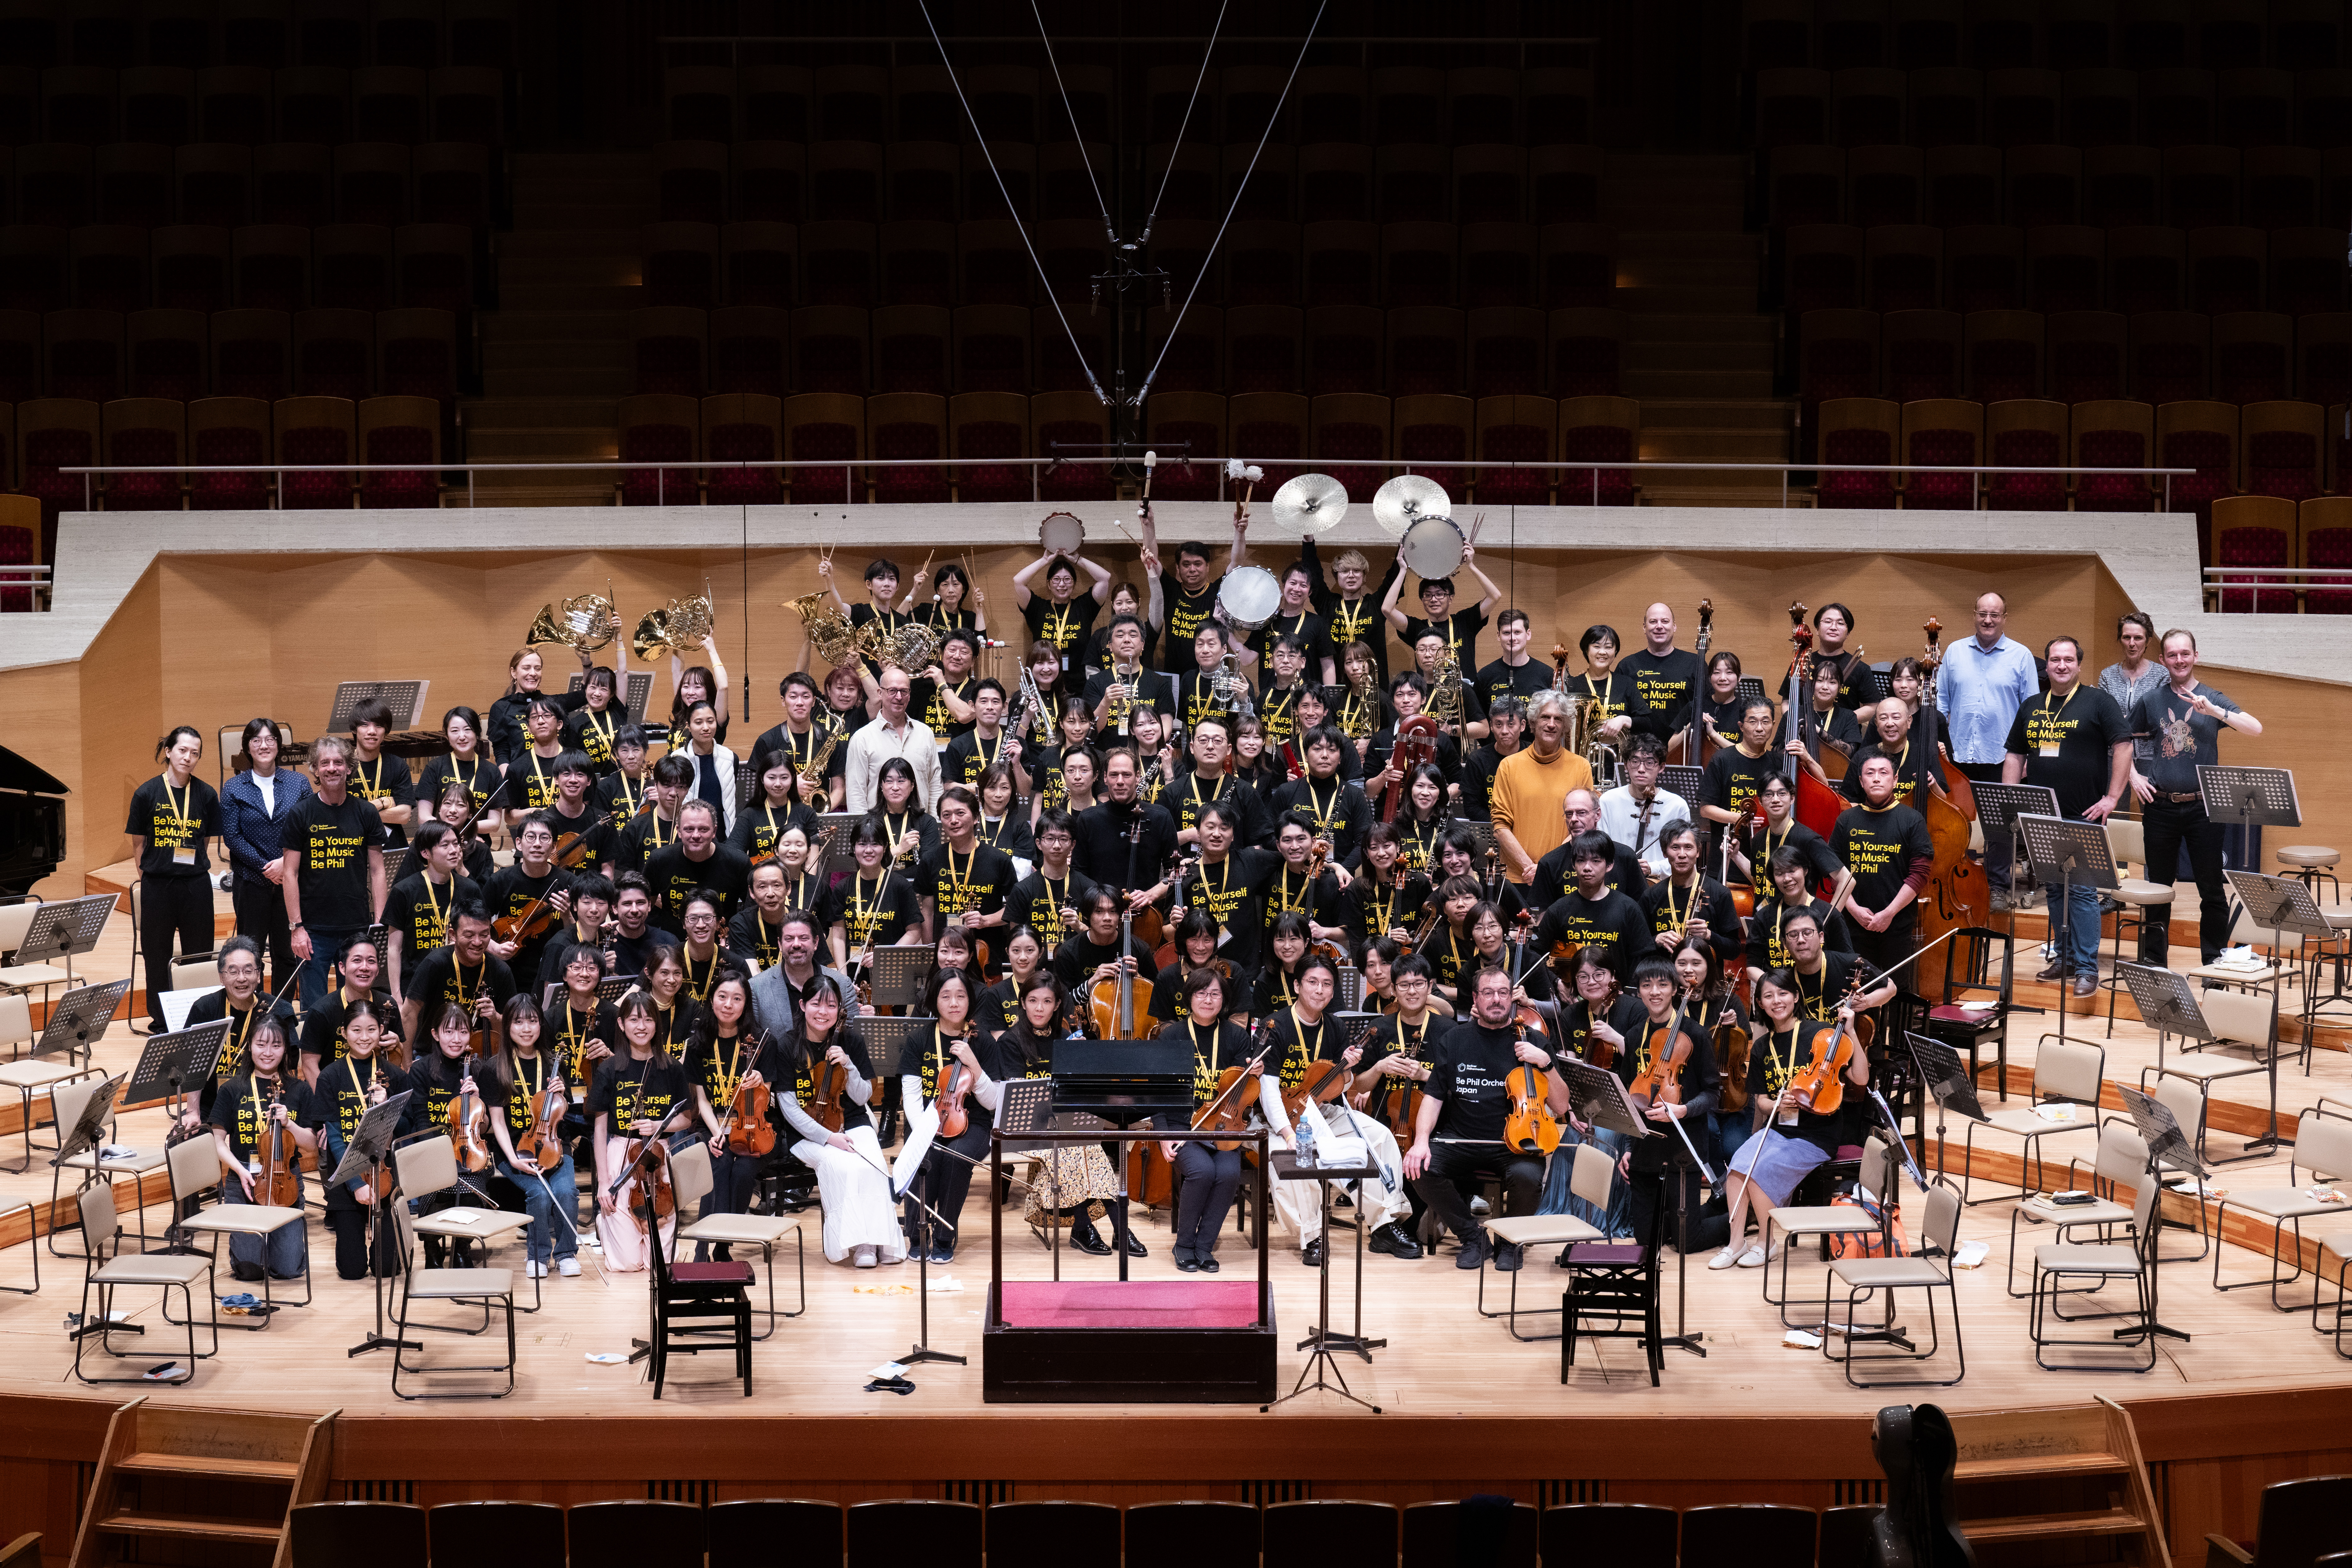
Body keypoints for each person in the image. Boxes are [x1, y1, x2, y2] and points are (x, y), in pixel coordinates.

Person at [1405, 963, 1570, 1270]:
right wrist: (1421, 1141)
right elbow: (1434, 1096)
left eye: (1503, 993)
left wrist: (1546, 1063)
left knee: (1529, 1176)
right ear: (1476, 999)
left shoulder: (1532, 1040)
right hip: (1461, 1139)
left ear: (1512, 998)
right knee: (1420, 1166)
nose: (1496, 999)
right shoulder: (1455, 1040)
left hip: (1515, 1143)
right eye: (1488, 993)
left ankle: (1510, 1241)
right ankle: (1472, 1237)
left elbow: (1561, 1107)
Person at [2001, 636, 2131, 996]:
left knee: (2083, 893)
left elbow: (2123, 746)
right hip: (2041, 816)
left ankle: (2087, 967)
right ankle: (2065, 957)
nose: (2061, 665)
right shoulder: (2030, 705)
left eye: (2068, 660)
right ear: (2046, 665)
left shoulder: (2098, 702)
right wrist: (2013, 801)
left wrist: (2112, 797)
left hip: (2083, 814)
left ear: (2078, 665)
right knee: (2055, 889)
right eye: (2054, 660)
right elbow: (2014, 755)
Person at [1712, 971, 1869, 1269]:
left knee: (1758, 1172)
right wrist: (1777, 1102)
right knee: (1737, 1167)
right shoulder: (1760, 1046)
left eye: (1782, 993)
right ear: (1759, 1002)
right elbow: (1760, 1101)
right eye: (1768, 995)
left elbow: (1860, 1078)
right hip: (1780, 1127)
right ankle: (1735, 1243)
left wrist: (1850, 1032)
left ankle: (1766, 1242)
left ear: (1795, 997)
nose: (1776, 1001)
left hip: (1817, 1134)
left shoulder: (1821, 1034)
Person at [2129, 628, 2263, 966]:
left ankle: (2213, 962)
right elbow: (2121, 741)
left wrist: (2215, 712)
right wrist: (2133, 776)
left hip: (2204, 807)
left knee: (2212, 891)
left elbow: (2255, 728)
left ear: (2195, 656)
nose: (2178, 660)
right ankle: (2153, 962)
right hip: (2158, 806)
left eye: (2184, 654)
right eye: (2171, 655)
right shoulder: (2152, 700)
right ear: (2162, 660)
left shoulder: (2211, 697)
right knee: (2157, 888)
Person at [992, 972, 1143, 1256]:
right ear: (1023, 1003)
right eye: (1033, 1001)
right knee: (1073, 1147)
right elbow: (1016, 1096)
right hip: (1027, 1126)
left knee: (1087, 1145)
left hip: (1062, 1121)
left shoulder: (1066, 1037)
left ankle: (1115, 1229)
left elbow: (1081, 1090)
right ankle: (1086, 1228)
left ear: (1057, 1004)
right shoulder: (1010, 1042)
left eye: (1047, 1001)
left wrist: (1081, 1063)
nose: (1040, 1008)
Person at [776, 973, 903, 1267]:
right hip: (807, 1134)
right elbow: (789, 1108)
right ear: (803, 1005)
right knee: (843, 1166)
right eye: (816, 1004)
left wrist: (849, 1065)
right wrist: (829, 1137)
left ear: (839, 1011)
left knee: (874, 1166)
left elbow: (862, 1097)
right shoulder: (786, 1045)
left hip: (853, 1121)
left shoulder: (851, 1040)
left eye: (831, 1006)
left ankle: (877, 1243)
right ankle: (858, 1244)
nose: (824, 1012)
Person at [1936, 591, 2040, 908]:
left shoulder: (2021, 656)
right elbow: (1940, 702)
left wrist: (2027, 759)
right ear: (1974, 615)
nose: (1988, 620)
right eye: (1983, 613)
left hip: (2002, 756)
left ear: (2004, 618)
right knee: (1955, 821)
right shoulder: (1954, 651)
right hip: (1957, 756)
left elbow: (2032, 711)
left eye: (1994, 615)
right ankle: (1958, 880)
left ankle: (1995, 886)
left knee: (1999, 826)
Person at [1612, 952, 1721, 1254]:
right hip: (1646, 1146)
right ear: (1639, 992)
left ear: (1675, 989)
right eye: (1647, 986)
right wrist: (1627, 1148)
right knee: (1647, 1242)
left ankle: (1736, 1215)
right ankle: (1677, 1221)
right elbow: (1628, 1098)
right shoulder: (1635, 1036)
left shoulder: (1696, 1034)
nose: (1655, 992)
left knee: (1687, 1242)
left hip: (1683, 1146)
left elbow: (1713, 1094)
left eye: (1662, 984)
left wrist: (1682, 1109)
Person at [1156, 966, 1258, 1271]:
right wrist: (1162, 1137)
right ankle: (1184, 1244)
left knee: (1227, 1174)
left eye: (1215, 993)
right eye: (1201, 993)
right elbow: (1157, 1093)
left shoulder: (1236, 1037)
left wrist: (1253, 1076)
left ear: (1223, 1000)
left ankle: (1204, 1246)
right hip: (1180, 1125)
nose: (1208, 999)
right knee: (1201, 1171)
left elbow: (1243, 1093)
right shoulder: (1171, 1036)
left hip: (1223, 1125)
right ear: (1189, 997)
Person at [282, 734, 389, 1012]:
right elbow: (290, 874)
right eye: (325, 763)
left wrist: (379, 924)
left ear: (349, 768)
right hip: (313, 930)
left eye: (339, 762)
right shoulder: (301, 813)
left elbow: (378, 871)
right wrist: (297, 928)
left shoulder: (366, 812)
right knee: (314, 1010)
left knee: (355, 1008)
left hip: (355, 927)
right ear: (315, 770)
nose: (332, 768)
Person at [589, 991, 694, 1272]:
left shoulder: (671, 1068)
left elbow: (686, 1119)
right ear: (622, 1024)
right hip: (620, 1152)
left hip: (659, 1155)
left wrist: (660, 1127)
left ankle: (643, 1227)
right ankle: (606, 1223)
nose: (642, 1026)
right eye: (634, 1019)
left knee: (657, 1265)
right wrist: (602, 1182)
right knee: (628, 1264)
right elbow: (599, 1130)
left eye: (649, 1019)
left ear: (657, 1025)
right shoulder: (610, 1070)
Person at [207, 1011, 316, 1282]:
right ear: (249, 1047)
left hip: (285, 1179)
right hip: (243, 1178)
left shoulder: (299, 1090)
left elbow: (312, 1144)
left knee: (288, 1270)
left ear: (285, 1050)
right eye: (261, 1044)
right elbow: (218, 1142)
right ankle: (252, 1250)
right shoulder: (232, 1089)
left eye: (276, 1045)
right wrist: (240, 1171)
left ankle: (277, 1247)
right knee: (250, 1272)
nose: (268, 1052)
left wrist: (290, 1124)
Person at [127, 725, 221, 1030]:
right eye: (183, 750)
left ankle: (197, 1017)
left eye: (195, 753)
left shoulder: (206, 794)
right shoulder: (146, 793)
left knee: (199, 955)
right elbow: (139, 844)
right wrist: (152, 875)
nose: (189, 758)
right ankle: (163, 1020)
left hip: (195, 886)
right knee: (157, 956)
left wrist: (186, 867)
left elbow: (204, 841)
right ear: (168, 751)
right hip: (157, 887)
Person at [304, 997, 402, 1281]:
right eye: (356, 1030)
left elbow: (406, 1128)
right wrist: (357, 1183)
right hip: (347, 1178)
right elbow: (334, 1137)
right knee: (352, 1270)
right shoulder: (331, 1077)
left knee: (387, 1269)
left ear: (380, 1031)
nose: (364, 1037)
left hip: (385, 1172)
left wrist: (388, 1107)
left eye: (371, 1029)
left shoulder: (393, 1074)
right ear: (344, 1032)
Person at [484, 994, 581, 1279]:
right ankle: (538, 1255)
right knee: (538, 1193)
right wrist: (514, 1159)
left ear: (541, 1024)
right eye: (518, 1022)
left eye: (533, 1021)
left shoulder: (554, 1062)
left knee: (567, 1192)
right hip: (515, 1150)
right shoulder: (494, 1067)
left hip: (555, 1146)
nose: (526, 1028)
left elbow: (565, 1112)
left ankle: (566, 1253)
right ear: (508, 1027)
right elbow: (498, 1122)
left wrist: (563, 1094)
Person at [900, 967, 993, 1262]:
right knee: (926, 1154)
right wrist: (927, 1131)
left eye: (961, 996)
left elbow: (991, 1103)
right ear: (934, 999)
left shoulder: (984, 1041)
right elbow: (912, 1095)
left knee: (956, 1157)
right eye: (946, 996)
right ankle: (916, 1232)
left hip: (974, 1122)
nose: (954, 1003)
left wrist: (974, 1065)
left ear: (970, 1000)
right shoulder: (919, 1039)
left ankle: (944, 1233)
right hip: (927, 1120)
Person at [681, 967, 771, 1258]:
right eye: (722, 996)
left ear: (746, 1004)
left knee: (743, 1171)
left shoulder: (761, 1042)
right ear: (712, 999)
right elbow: (702, 1101)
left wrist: (760, 1083)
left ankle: (721, 1245)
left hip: (751, 1126)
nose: (729, 1004)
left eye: (737, 998)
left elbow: (765, 1100)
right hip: (713, 1125)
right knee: (718, 1166)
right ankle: (703, 1247)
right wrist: (717, 1131)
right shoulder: (697, 1045)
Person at [1829, 753, 1936, 988]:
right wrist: (1855, 910)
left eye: (1883, 773)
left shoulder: (1912, 820)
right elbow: (1834, 872)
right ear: (1860, 781)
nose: (1876, 779)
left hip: (1896, 923)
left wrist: (1888, 913)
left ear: (1896, 779)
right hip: (1853, 923)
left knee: (1894, 990)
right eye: (1870, 773)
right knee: (1854, 992)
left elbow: (1919, 875)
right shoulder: (1846, 820)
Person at [220, 718, 310, 997]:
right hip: (251, 883)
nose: (264, 745)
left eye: (270, 739)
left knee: (287, 952)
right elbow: (233, 838)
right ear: (248, 746)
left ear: (278, 745)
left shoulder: (299, 783)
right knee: (251, 954)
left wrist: (286, 865)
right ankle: (253, 1011)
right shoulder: (234, 787)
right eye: (257, 740)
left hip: (291, 882)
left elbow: (309, 829)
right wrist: (266, 867)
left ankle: (281, 1012)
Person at [181, 938, 298, 1133]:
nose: (241, 978)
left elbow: (289, 1066)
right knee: (185, 1139)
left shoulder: (278, 1010)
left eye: (249, 970)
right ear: (222, 977)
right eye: (233, 971)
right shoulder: (205, 1009)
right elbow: (194, 1066)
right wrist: (193, 1111)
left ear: (259, 975)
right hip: (213, 1101)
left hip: (265, 1099)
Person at [1491, 690, 1599, 886]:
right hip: (1519, 878)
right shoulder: (1509, 766)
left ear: (1565, 726)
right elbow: (1500, 827)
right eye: (1545, 717)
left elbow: (1585, 825)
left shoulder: (1581, 767)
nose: (1551, 724)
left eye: (1558, 719)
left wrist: (1547, 868)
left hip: (1564, 875)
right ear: (1532, 722)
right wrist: (1530, 868)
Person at [1532, 830, 1653, 988]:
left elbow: (1643, 960)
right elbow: (1535, 956)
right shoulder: (1558, 910)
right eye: (1581, 861)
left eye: (1596, 861)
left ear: (1610, 865)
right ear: (1573, 864)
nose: (1587, 868)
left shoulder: (1629, 909)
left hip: (1618, 997)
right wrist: (1557, 983)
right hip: (1571, 1000)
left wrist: (1626, 993)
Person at [917, 784, 1017, 967]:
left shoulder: (999, 860)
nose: (953, 820)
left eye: (960, 813)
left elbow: (1014, 909)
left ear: (976, 818)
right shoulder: (931, 860)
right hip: (946, 959)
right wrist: (931, 951)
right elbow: (928, 912)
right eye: (947, 815)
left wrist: (985, 921)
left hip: (986, 954)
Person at [400, 901, 516, 1045]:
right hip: (432, 1052)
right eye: (469, 935)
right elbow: (409, 1014)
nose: (478, 942)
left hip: (480, 1054)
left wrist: (495, 1017)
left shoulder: (501, 971)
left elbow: (510, 1029)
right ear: (453, 935)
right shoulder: (435, 964)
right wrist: (406, 1063)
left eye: (484, 934)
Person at [819, 815, 923, 973]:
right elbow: (839, 937)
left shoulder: (900, 886)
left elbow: (915, 932)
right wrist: (843, 977)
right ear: (854, 848)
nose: (869, 850)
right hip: (852, 971)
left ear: (886, 847)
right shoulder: (842, 888)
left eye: (875, 844)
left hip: (891, 970)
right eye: (862, 844)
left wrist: (885, 956)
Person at [484, 812, 575, 991]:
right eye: (531, 837)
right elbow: (475, 926)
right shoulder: (500, 881)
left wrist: (567, 915)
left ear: (555, 846)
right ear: (519, 843)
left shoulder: (569, 883)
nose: (537, 844)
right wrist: (495, 948)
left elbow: (580, 937)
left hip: (556, 973)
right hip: (509, 973)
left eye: (545, 838)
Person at [1641, 819, 1745, 973]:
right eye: (1675, 848)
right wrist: (1657, 940)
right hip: (1665, 983)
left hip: (1707, 986)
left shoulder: (1720, 893)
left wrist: (1709, 935)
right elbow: (1638, 946)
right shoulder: (1651, 895)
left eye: (1688, 847)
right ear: (1665, 852)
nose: (1682, 854)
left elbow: (1734, 951)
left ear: (1698, 852)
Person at [298, 930, 401, 1084]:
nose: (365, 967)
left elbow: (400, 1059)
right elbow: (309, 1066)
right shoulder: (321, 1011)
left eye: (371, 961)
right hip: (334, 1092)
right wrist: (327, 1101)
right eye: (357, 960)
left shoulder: (388, 1004)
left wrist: (398, 1044)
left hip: (376, 1089)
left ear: (378, 970)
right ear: (342, 968)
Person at [1382, 545, 1503, 671]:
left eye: (1440, 594)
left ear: (1451, 599)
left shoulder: (1465, 621)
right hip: (1430, 690)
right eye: (1428, 595)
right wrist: (1403, 570)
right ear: (1422, 600)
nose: (1434, 600)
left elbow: (1495, 596)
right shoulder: (1417, 628)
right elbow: (1387, 609)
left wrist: (1471, 565)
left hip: (1465, 689)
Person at [1746, 845, 1858, 980]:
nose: (1787, 879)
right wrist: (1776, 988)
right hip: (1780, 994)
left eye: (1793, 871)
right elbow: (1753, 966)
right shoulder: (1764, 916)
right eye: (1779, 873)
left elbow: (1847, 961)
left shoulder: (1830, 914)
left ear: (1805, 870)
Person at [844, 665, 943, 814]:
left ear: (910, 695)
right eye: (892, 691)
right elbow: (856, 793)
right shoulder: (862, 738)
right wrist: (865, 835)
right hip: (878, 832)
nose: (899, 697)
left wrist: (935, 826)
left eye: (904, 691)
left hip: (921, 829)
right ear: (880, 693)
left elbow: (935, 785)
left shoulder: (925, 733)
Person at [644, 798, 751, 935]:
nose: (696, 835)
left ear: (714, 831)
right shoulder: (659, 860)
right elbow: (645, 906)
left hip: (723, 945)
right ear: (679, 831)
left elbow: (751, 913)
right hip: (673, 947)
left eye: (703, 829)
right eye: (689, 829)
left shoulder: (739, 862)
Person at [1597, 734, 1689, 879]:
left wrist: (1653, 868)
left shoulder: (1677, 806)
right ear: (1626, 765)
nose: (1641, 769)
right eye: (1635, 761)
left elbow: (1685, 858)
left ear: (1662, 767)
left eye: (1650, 763)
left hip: (1661, 886)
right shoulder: (1608, 801)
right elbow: (1601, 851)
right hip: (1616, 882)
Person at [1014, 545, 1111, 673]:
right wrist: (1045, 560)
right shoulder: (1038, 608)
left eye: (1067, 580)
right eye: (1056, 580)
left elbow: (1105, 578)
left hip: (1079, 687)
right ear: (1049, 584)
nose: (1062, 584)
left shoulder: (1084, 606)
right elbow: (1018, 581)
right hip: (1046, 683)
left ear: (1074, 583)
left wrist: (1078, 559)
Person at [487, 645, 588, 767]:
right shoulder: (501, 708)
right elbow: (501, 752)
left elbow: (587, 693)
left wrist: (586, 662)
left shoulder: (553, 703)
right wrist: (510, 781)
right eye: (527, 668)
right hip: (523, 778)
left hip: (560, 775)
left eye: (538, 669)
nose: (533, 673)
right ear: (514, 672)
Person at [1621, 602, 1703, 748]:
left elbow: (1707, 706)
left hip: (1683, 751)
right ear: (1645, 628)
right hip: (1639, 753)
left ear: (1675, 626)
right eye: (1653, 622)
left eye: (1665, 621)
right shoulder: (1627, 666)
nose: (1659, 626)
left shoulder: (1695, 663)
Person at [672, 700, 740, 836]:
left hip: (722, 836)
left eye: (710, 721)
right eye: (698, 723)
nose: (706, 727)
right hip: (689, 837)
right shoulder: (677, 759)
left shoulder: (730, 758)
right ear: (689, 726)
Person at [1460, 695, 1527, 823]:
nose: (1504, 731)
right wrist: (1502, 826)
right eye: (1499, 724)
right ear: (1491, 726)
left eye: (1511, 724)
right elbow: (1471, 807)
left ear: (1522, 725)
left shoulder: (1535, 755)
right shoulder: (1477, 760)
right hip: (1492, 829)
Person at [2099, 611, 2167, 720]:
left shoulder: (2162, 675)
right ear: (2120, 640)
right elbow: (2102, 716)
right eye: (2127, 637)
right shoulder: (2108, 675)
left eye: (2138, 638)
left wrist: (2118, 720)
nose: (2132, 643)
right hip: (2115, 737)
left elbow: (2160, 718)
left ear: (2148, 642)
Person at [560, 664, 626, 776]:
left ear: (611, 694)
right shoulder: (575, 725)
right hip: (594, 786)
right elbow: (574, 765)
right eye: (593, 687)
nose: (597, 693)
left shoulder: (618, 712)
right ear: (585, 690)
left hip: (624, 781)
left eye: (604, 689)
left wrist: (619, 645)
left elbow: (623, 672)